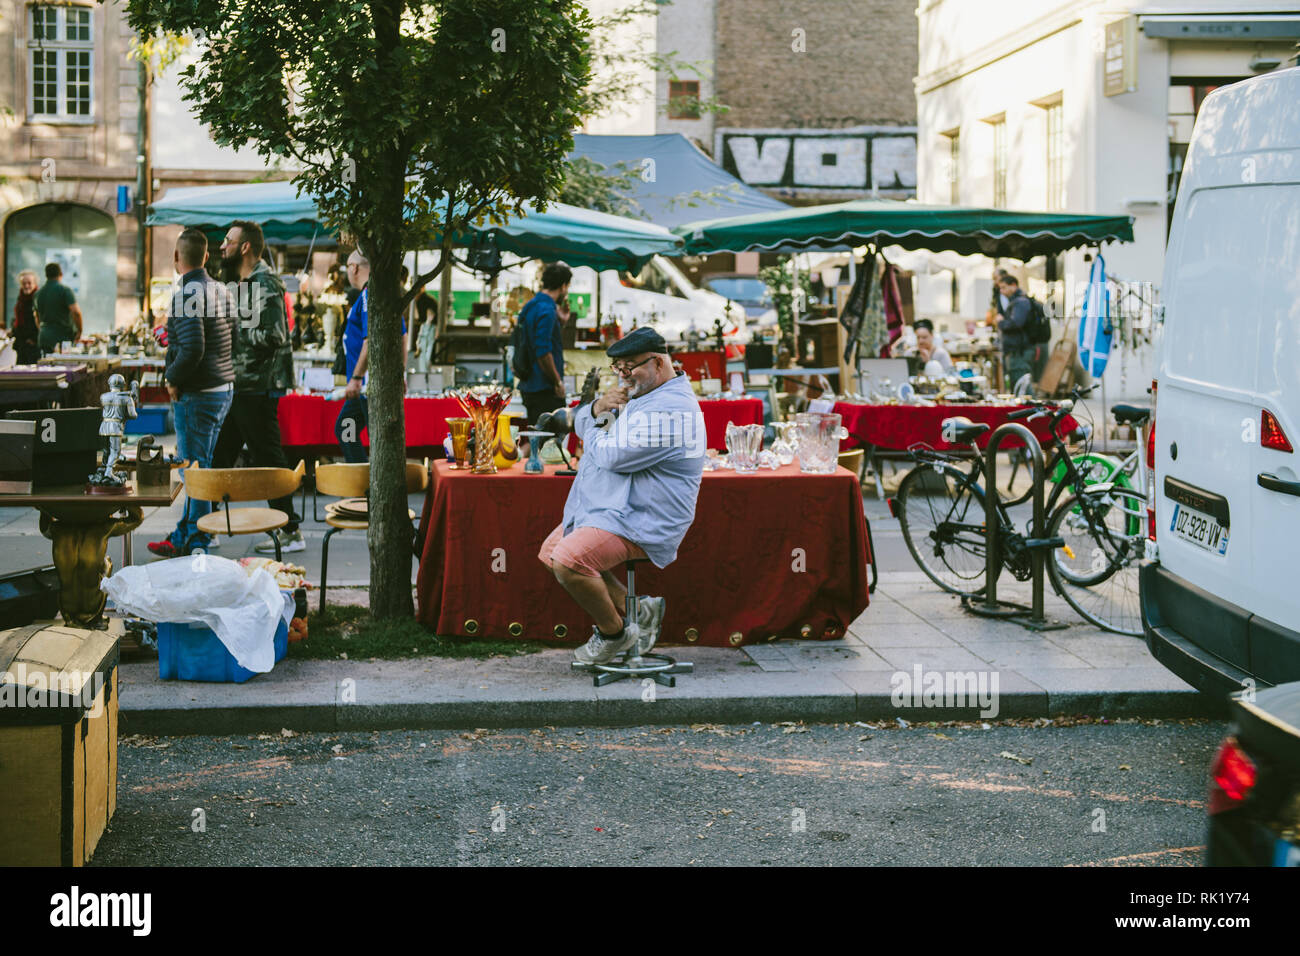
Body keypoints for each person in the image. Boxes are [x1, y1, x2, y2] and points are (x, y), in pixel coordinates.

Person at [538, 326, 706, 664]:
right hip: (613, 507)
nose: (624, 376)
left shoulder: (672, 410)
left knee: (569, 560)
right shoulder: (647, 392)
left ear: (658, 363)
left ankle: (614, 633)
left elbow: (612, 455)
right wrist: (599, 407)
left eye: (631, 367)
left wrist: (600, 419)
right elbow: (594, 422)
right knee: (550, 553)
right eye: (619, 368)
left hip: (644, 516)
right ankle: (640, 610)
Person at [210, 220, 305, 554]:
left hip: (259, 385)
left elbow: (277, 336)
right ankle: (207, 527)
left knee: (268, 457)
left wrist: (232, 334)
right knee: (219, 454)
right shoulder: (243, 282)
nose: (222, 247)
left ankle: (290, 530)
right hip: (242, 383)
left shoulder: (265, 282)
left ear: (245, 246)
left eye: (228, 241)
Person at [148, 228, 237, 557]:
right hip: (222, 389)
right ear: (207, 256)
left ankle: (197, 540)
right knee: (203, 466)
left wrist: (171, 378)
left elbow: (193, 348)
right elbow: (233, 338)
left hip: (198, 393)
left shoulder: (186, 294)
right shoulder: (222, 291)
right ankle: (189, 531)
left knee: (194, 471)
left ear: (175, 257)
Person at [336, 248, 407, 462]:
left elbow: (370, 340)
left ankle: (367, 484)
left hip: (367, 385)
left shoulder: (369, 295)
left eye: (347, 267)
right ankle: (360, 475)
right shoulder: (376, 294)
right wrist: (400, 371)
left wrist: (357, 378)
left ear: (354, 268)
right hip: (363, 386)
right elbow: (402, 336)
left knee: (374, 436)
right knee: (346, 428)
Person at [517, 262, 573, 426]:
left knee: (537, 438)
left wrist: (560, 322)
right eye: (567, 287)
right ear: (563, 286)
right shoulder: (547, 310)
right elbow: (543, 352)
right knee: (548, 444)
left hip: (529, 385)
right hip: (544, 389)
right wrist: (557, 382)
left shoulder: (531, 306)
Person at [997, 274, 1039, 392]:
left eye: (1004, 287)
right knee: (1019, 385)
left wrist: (1001, 322)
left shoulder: (1020, 302)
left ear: (1013, 285)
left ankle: (1032, 409)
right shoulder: (1017, 301)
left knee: (1022, 386)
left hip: (1020, 350)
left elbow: (1016, 323)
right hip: (1018, 349)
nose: (1002, 291)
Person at [34, 262, 83, 354]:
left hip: (44, 338)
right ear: (61, 274)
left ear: (46, 275)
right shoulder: (65, 290)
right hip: (62, 337)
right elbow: (76, 312)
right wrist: (79, 331)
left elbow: (36, 316)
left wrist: (43, 330)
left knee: (46, 365)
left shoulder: (38, 293)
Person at [11, 270, 41, 365]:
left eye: (29, 283)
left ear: (35, 283)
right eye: (24, 283)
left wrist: (35, 339)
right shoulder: (21, 298)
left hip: (33, 345)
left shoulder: (38, 298)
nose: (26, 286)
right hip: (21, 345)